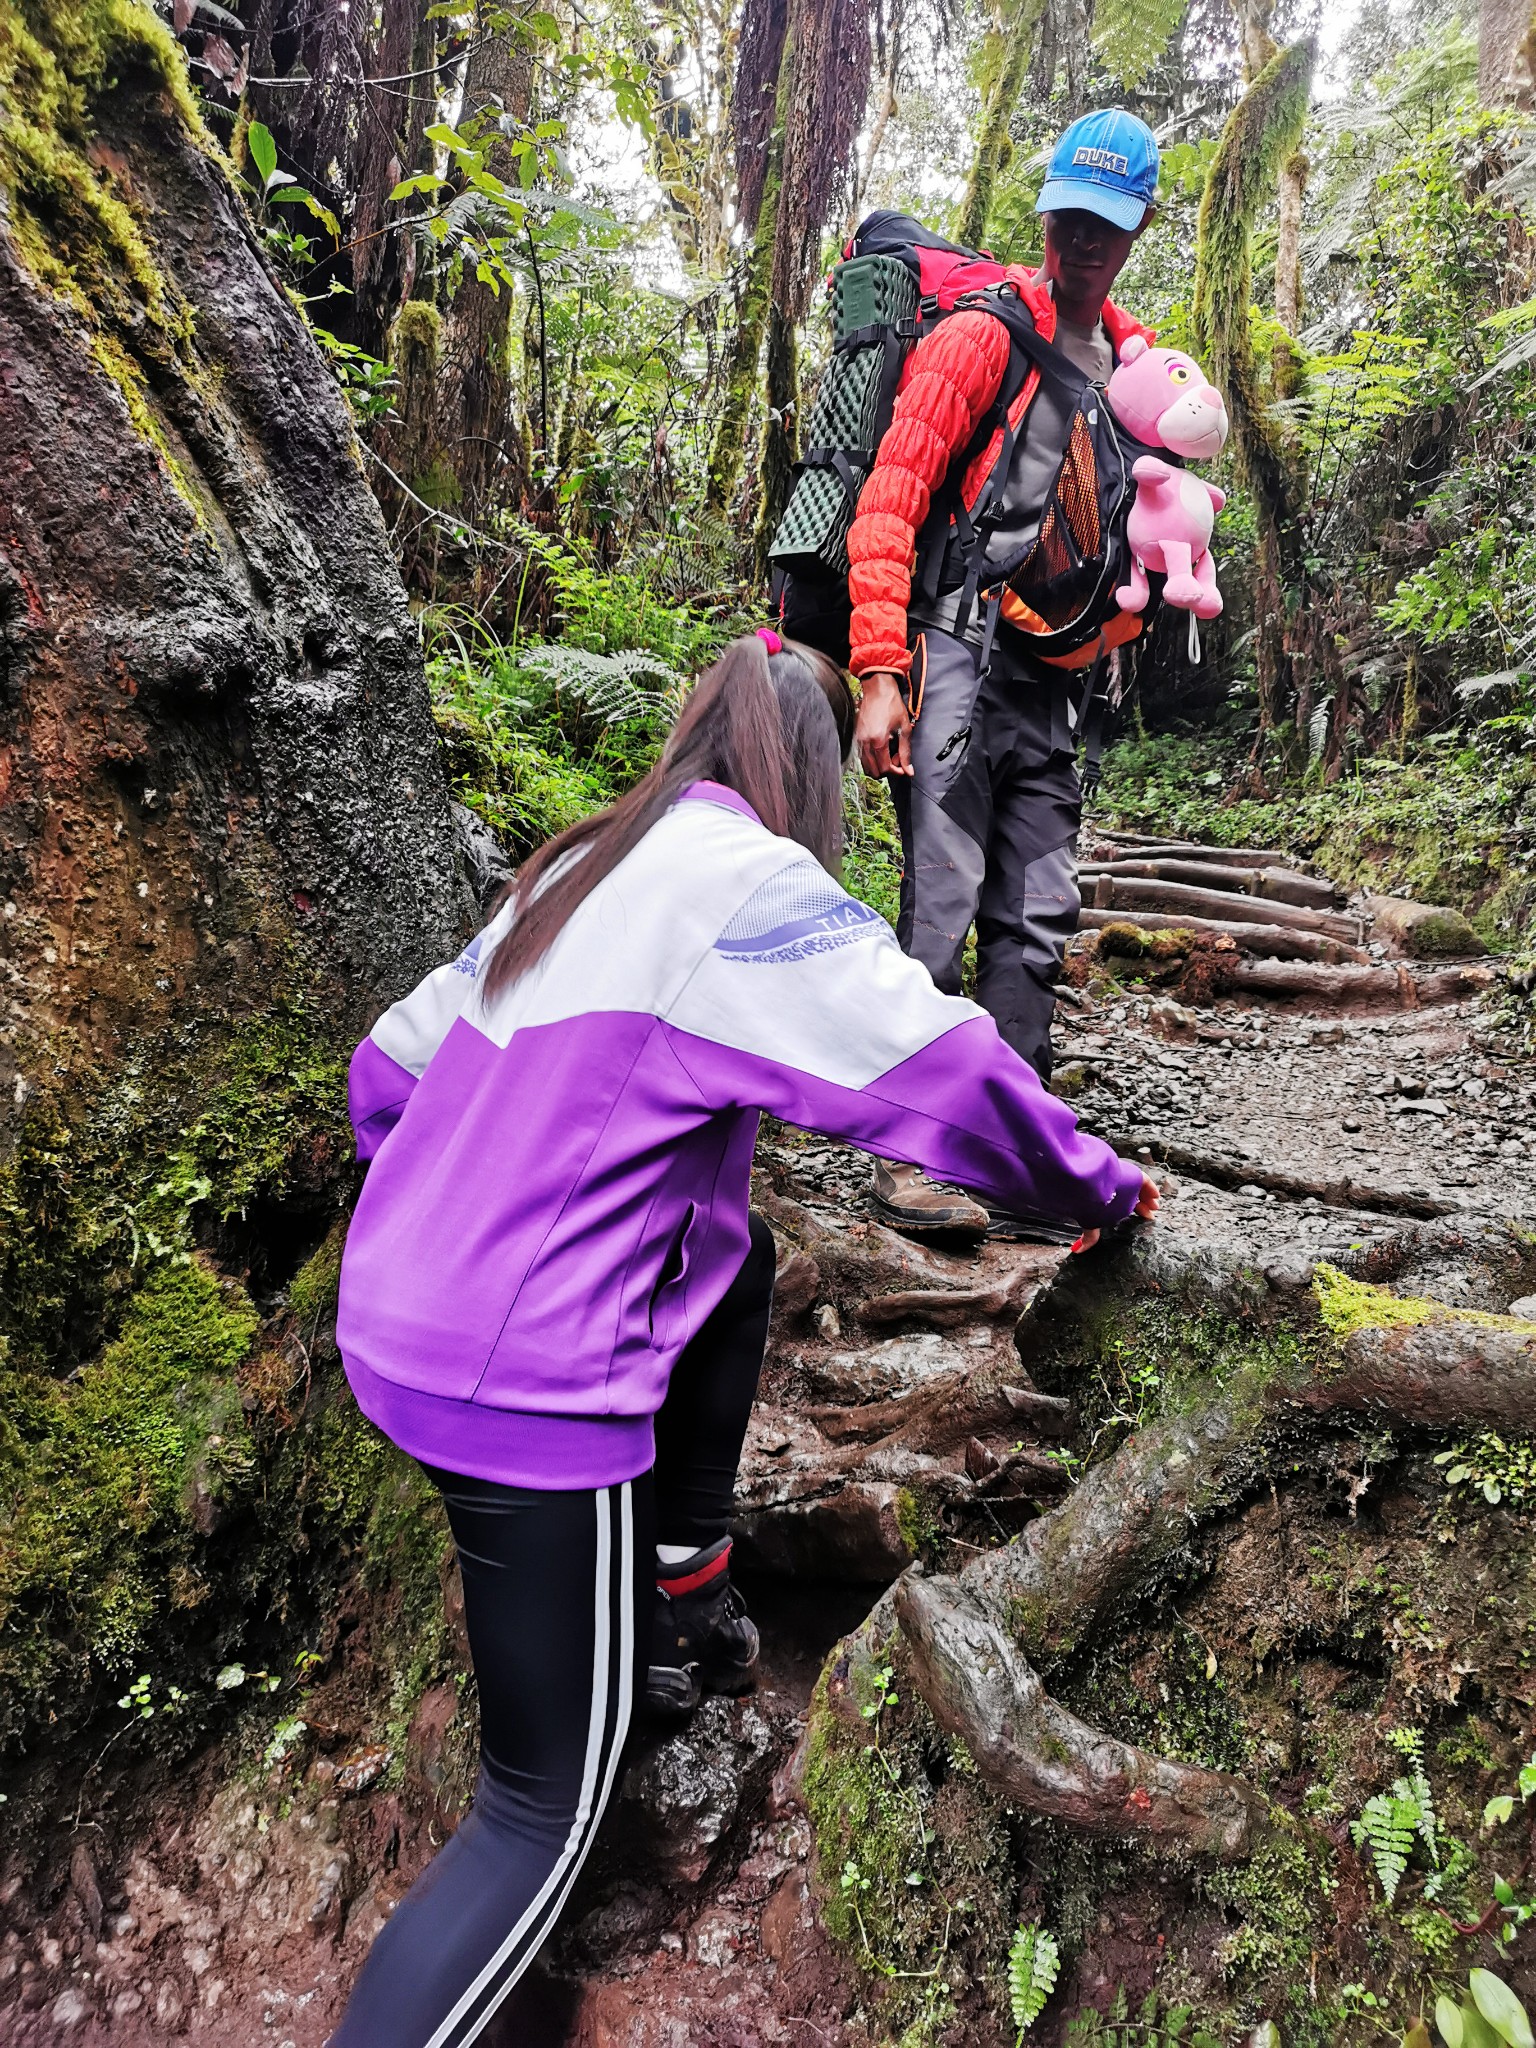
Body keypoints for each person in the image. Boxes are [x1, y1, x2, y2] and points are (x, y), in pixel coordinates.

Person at [327, 629, 1157, 2047]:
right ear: (815, 777)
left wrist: (448, 1224)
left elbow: (385, 1072)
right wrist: (1097, 1188)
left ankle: (680, 1584)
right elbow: (937, 1071)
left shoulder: (572, 867)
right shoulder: (746, 882)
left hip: (399, 1312)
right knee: (538, 1815)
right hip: (521, 1381)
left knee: (740, 1251)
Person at [849, 107, 1161, 1243]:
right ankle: (906, 1157)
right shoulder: (983, 334)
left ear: (1135, 233)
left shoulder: (1132, 373)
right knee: (939, 901)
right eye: (1070, 217)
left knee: (1035, 914)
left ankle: (1015, 1150)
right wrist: (881, 668)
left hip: (1050, 680)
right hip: (952, 650)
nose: (1085, 242)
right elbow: (889, 497)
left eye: (1108, 226)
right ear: (1045, 212)